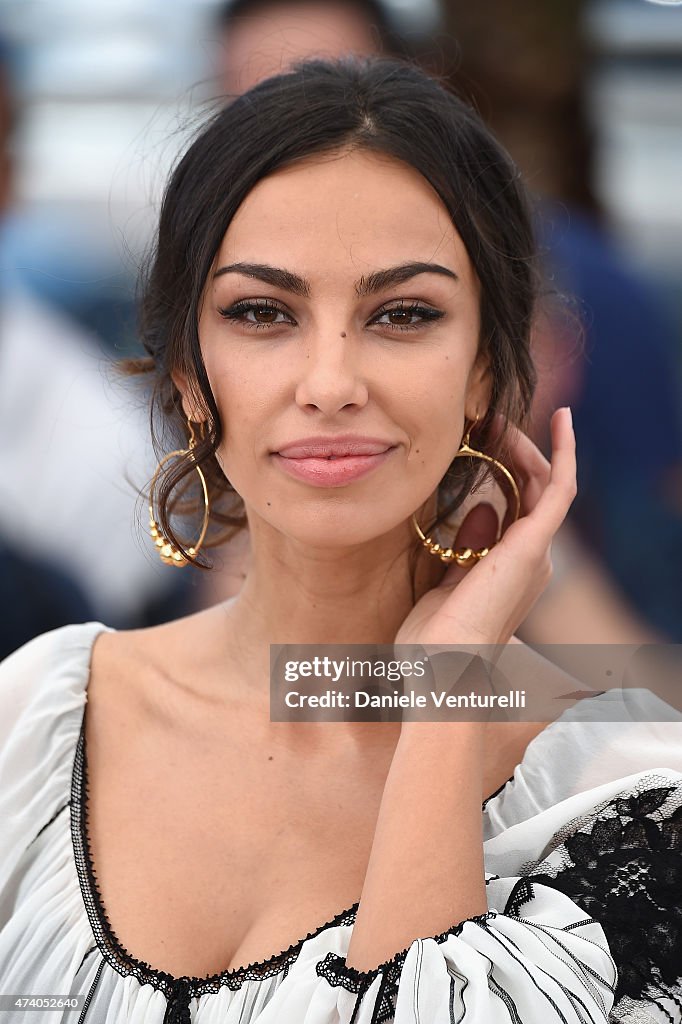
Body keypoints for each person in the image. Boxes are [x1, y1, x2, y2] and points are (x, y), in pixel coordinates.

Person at [0, 57, 681, 1024]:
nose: (329, 381)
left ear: (488, 370)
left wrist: (448, 695)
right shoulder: (34, 720)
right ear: (191, 375)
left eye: (402, 314)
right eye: (261, 312)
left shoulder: (632, 789)